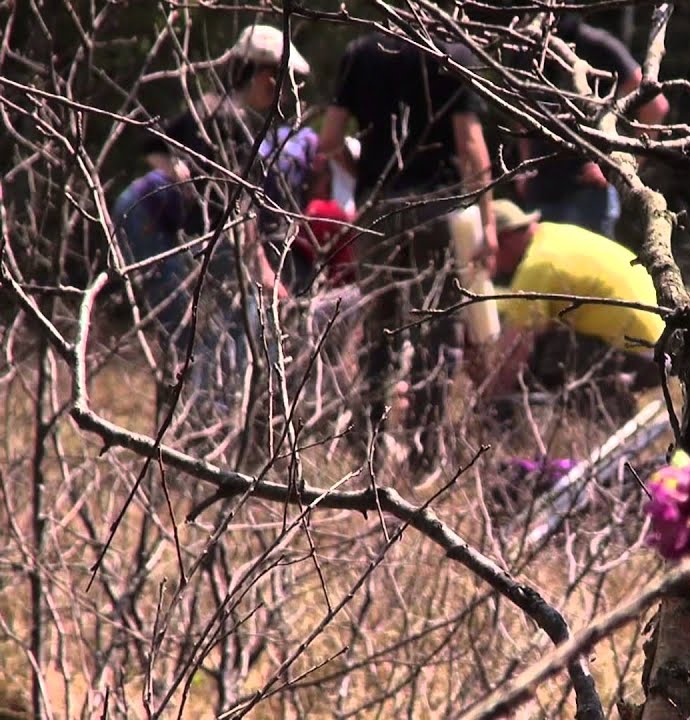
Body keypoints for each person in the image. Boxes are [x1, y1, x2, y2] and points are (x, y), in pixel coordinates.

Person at [113, 24, 310, 435]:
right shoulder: (234, 126)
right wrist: (265, 275)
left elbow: (150, 145)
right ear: (263, 77)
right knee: (208, 335)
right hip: (159, 227)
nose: (287, 96)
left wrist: (180, 174)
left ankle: (191, 428)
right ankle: (204, 432)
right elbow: (242, 212)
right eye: (286, 84)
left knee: (198, 333)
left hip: (163, 227)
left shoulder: (206, 108)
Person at [317, 31, 497, 471]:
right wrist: (488, 222)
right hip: (438, 210)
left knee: (380, 333)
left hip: (378, 212)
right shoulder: (452, 52)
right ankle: (424, 456)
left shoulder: (360, 52)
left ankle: (367, 453)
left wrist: (366, 179)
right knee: (436, 336)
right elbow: (471, 146)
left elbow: (330, 139)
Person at [480, 199, 665, 422]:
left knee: (547, 354)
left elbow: (514, 349)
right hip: (663, 346)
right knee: (550, 337)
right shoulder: (554, 235)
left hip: (643, 355)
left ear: (503, 240)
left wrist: (489, 401)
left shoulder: (537, 266)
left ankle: (610, 414)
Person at [515, 14, 669, 238]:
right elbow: (523, 113)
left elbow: (655, 106)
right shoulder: (527, 48)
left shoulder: (597, 46)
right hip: (540, 193)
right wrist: (524, 166)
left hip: (587, 196)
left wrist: (622, 167)